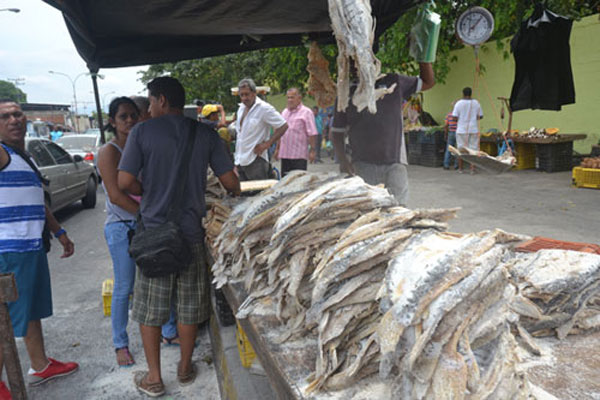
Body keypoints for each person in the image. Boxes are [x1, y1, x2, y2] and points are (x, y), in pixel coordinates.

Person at [117, 77, 240, 397]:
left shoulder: (141, 133)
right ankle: (185, 368)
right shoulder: (206, 134)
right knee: (188, 306)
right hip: (190, 235)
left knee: (150, 309)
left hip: (155, 234)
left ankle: (155, 377)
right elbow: (230, 183)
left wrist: (148, 192)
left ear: (159, 100)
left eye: (150, 101)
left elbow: (124, 181)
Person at [0, 99, 78, 394]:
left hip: (29, 245)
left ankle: (41, 365)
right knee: (6, 318)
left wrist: (60, 232)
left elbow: (37, 202)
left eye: (18, 114)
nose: (14, 120)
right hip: (10, 249)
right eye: (5, 116)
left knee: (29, 309)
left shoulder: (22, 156)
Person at [331, 63, 435, 206]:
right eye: (351, 61)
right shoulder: (346, 92)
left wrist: (424, 55)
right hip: (362, 165)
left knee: (398, 211)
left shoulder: (394, 81)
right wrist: (343, 162)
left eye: (359, 60)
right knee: (367, 211)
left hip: (395, 164)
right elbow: (337, 132)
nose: (355, 66)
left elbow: (428, 82)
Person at [234, 78, 288, 181]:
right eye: (242, 95)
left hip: (256, 160)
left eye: (247, 94)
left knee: (260, 194)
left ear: (254, 93)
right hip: (240, 160)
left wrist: (267, 144)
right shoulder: (241, 108)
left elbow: (283, 125)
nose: (244, 98)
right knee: (243, 195)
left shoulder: (264, 108)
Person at [273, 88, 318, 177]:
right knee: (285, 182)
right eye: (288, 98)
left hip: (299, 156)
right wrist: (277, 149)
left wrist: (312, 150)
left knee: (299, 183)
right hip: (285, 155)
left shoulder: (306, 112)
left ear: (299, 98)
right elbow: (280, 133)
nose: (290, 100)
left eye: (292, 97)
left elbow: (312, 133)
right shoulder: (284, 112)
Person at [452, 87, 483, 174]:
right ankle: (472, 169)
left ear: (463, 93)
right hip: (473, 129)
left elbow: (454, 118)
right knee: (473, 149)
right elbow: (480, 116)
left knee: (461, 150)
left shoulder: (458, 104)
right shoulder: (476, 103)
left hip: (461, 130)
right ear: (471, 93)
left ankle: (461, 169)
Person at [443, 101, 459, 170]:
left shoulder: (449, 115)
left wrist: (445, 134)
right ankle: (456, 165)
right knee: (458, 150)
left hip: (451, 133)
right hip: (458, 133)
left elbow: (446, 125)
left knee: (448, 149)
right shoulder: (459, 115)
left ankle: (446, 164)